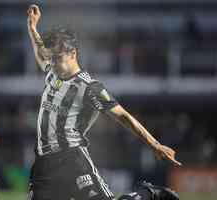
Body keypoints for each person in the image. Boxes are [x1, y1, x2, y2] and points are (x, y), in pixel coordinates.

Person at [27, 4, 181, 200]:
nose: (53, 62)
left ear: (73, 53)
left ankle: (149, 194)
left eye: (58, 57)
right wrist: (32, 28)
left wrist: (155, 144)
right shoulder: (52, 74)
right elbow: (41, 53)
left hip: (71, 158)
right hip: (43, 163)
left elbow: (123, 116)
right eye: (52, 58)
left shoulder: (90, 87)